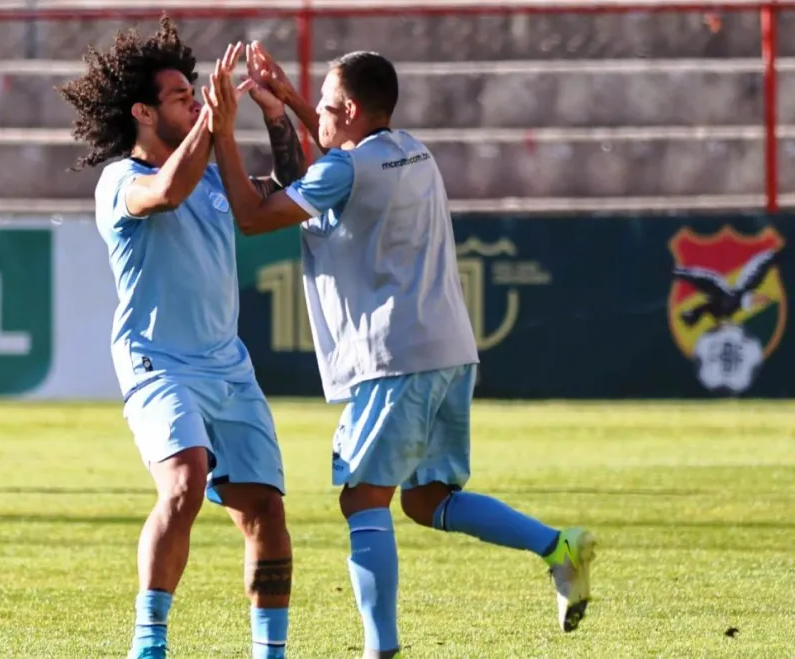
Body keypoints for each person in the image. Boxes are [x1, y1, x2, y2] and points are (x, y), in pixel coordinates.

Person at [202, 44, 597, 658]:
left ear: (352, 109)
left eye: (330, 107)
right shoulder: (412, 148)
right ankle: (558, 548)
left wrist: (226, 129)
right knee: (426, 499)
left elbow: (254, 218)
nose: (322, 117)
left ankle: (379, 650)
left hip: (394, 355)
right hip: (450, 350)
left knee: (362, 498)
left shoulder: (345, 171)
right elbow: (341, 147)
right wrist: (291, 102)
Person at [58, 20, 308, 659]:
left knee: (265, 513)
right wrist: (214, 125)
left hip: (226, 364)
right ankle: (150, 644)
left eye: (196, 94)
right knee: (185, 482)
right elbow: (166, 193)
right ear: (142, 112)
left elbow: (290, 190)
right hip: (157, 362)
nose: (196, 101)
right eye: (181, 97)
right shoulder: (120, 181)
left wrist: (275, 116)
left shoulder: (216, 171)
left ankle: (270, 652)